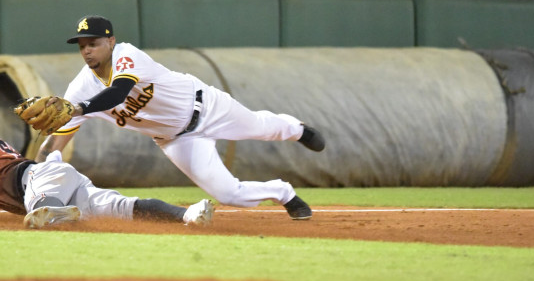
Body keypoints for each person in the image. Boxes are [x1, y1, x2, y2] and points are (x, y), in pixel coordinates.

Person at [34, 15, 322, 221]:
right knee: (229, 195)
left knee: (262, 128)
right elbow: (57, 139)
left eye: (93, 43)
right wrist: (40, 169)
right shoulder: (79, 89)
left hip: (207, 107)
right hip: (176, 140)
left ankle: (297, 130)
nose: (86, 50)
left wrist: (79, 108)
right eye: (81, 45)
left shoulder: (127, 55)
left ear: (111, 41)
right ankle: (283, 193)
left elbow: (119, 93)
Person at [0, 99, 215, 229]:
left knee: (39, 217)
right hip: (55, 179)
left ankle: (55, 213)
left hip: (39, 180)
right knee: (124, 207)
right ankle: (188, 214)